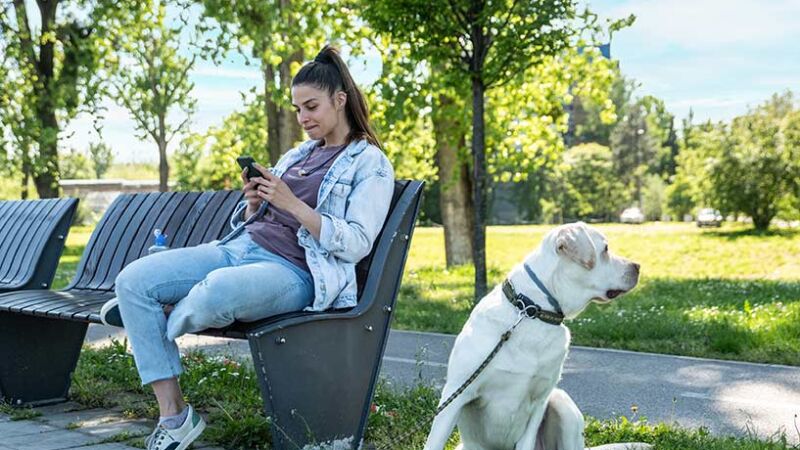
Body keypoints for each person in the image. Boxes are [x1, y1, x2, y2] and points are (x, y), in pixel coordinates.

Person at [98, 45, 395, 450]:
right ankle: (176, 417)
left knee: (216, 290)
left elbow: (357, 242)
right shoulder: (298, 154)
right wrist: (255, 203)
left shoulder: (370, 163)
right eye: (296, 110)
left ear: (340, 100)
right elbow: (257, 221)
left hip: (296, 273)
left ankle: (154, 316)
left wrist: (292, 202)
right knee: (133, 281)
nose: (303, 118)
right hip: (239, 249)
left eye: (311, 107)